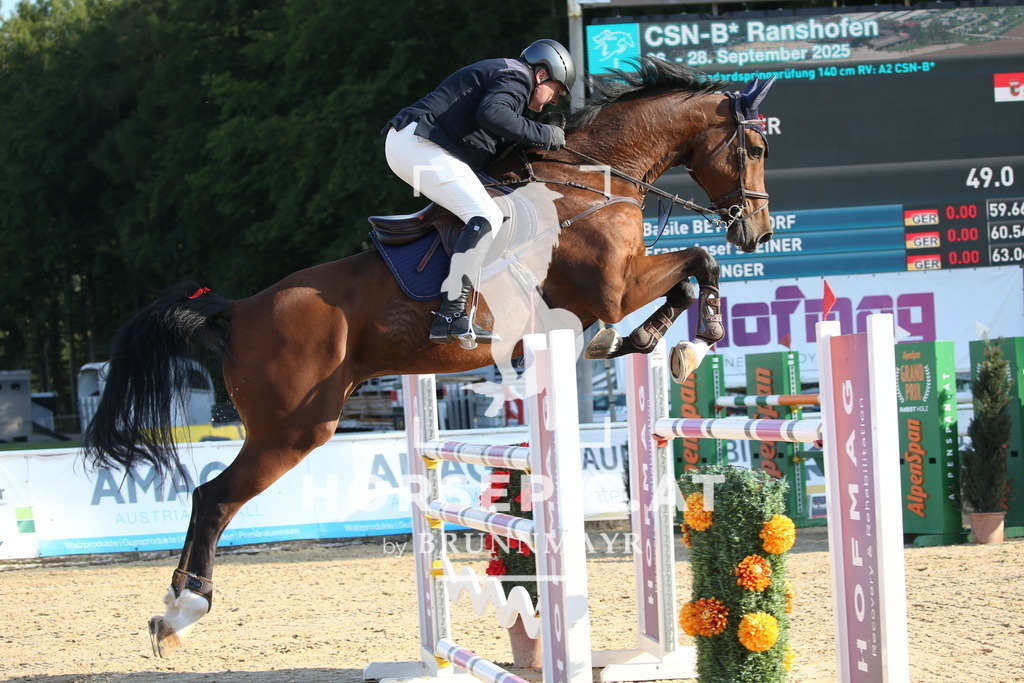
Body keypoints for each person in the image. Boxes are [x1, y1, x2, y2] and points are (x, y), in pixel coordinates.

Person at [383, 39, 576, 346]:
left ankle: (459, 312)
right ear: (541, 75)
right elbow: (493, 115)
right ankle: (450, 314)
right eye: (558, 90)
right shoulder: (515, 75)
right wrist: (545, 134)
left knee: (489, 208)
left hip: (419, 145)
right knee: (485, 213)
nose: (555, 101)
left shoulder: (510, 78)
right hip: (418, 144)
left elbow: (491, 138)